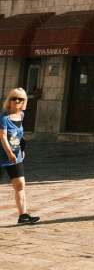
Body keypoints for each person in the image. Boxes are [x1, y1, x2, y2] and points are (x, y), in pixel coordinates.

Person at [2, 89, 39, 226]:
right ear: (9, 100)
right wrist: (9, 153)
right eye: (14, 98)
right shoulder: (4, 118)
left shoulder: (21, 115)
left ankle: (23, 215)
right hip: (3, 156)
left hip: (15, 156)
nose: (17, 101)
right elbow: (3, 137)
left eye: (21, 99)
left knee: (20, 184)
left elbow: (20, 136)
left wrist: (21, 150)